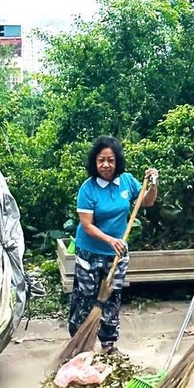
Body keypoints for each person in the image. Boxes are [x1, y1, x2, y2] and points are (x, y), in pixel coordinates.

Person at [68, 135, 158, 354]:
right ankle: (80, 344)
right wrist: (110, 240)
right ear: (94, 162)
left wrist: (153, 184)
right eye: (101, 160)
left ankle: (108, 344)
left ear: (117, 161)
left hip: (117, 253)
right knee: (86, 297)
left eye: (110, 160)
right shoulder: (88, 189)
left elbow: (146, 201)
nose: (106, 165)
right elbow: (87, 225)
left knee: (112, 296)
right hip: (90, 252)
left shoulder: (126, 181)